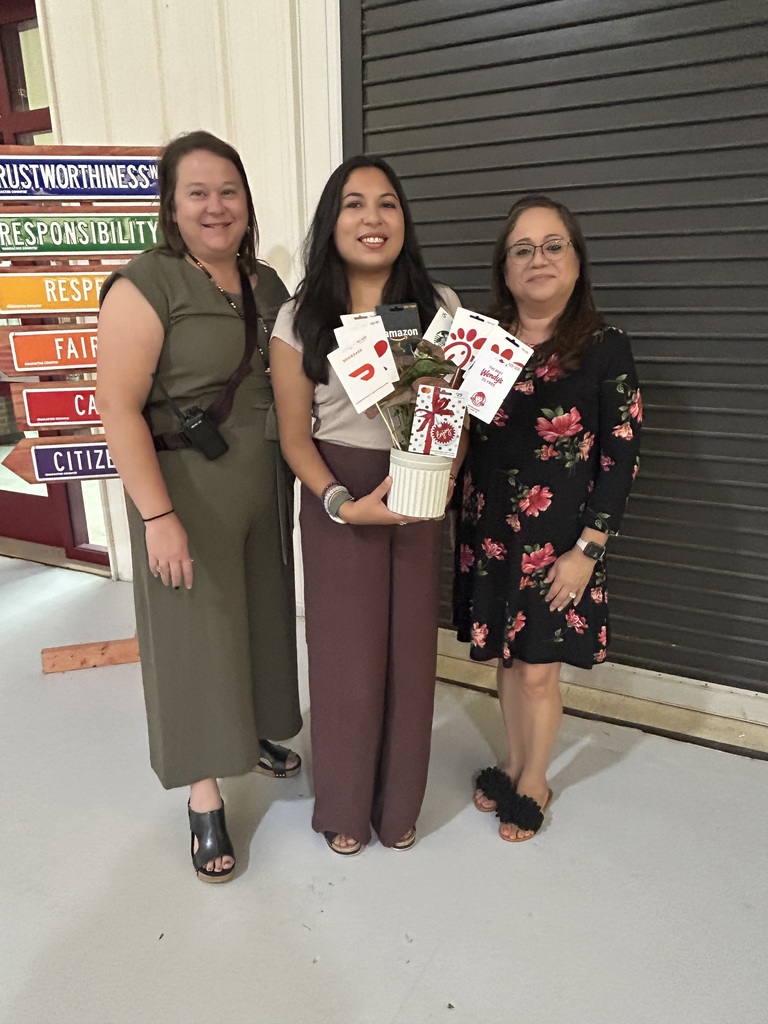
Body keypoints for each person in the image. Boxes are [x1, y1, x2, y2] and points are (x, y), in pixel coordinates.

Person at [96, 131, 302, 882]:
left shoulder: (267, 284)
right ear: (171, 206)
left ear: (247, 201)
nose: (217, 207)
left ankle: (246, 732)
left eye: (230, 191)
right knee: (195, 634)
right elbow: (117, 407)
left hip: (260, 488)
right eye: (198, 193)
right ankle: (204, 794)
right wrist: (157, 518)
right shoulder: (146, 285)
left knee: (255, 617)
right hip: (185, 493)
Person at [270, 155, 460, 855]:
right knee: (347, 660)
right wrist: (341, 503)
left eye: (387, 204)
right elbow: (294, 438)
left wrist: (434, 474)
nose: (372, 218)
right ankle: (344, 809)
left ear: (404, 221)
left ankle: (397, 803)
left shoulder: (440, 308)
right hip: (338, 493)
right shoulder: (300, 318)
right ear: (332, 221)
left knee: (411, 654)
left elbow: (454, 413)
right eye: (354, 204)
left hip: (417, 485)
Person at [453, 194, 641, 842]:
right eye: (522, 249)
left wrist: (588, 550)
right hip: (491, 536)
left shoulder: (606, 348)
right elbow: (460, 435)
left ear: (577, 260)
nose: (538, 259)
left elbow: (621, 456)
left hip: (560, 546)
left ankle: (535, 778)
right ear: (504, 270)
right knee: (507, 663)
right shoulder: (482, 346)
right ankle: (511, 761)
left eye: (552, 245)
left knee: (537, 670)